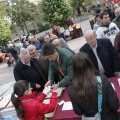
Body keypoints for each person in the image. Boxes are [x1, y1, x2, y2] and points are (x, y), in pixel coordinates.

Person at [68, 52, 119, 120]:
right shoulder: (102, 80)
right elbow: (115, 105)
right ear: (90, 64)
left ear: (74, 68)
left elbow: (78, 112)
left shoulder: (71, 88)